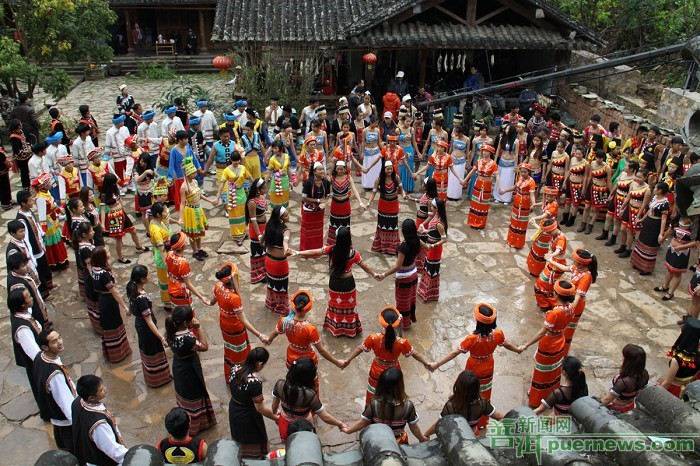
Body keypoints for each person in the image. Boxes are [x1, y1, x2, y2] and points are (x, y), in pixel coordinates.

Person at [429, 304, 520, 429]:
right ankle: (481, 421)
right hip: (488, 366)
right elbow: (507, 344)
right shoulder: (498, 334)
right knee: (484, 393)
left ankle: (466, 418)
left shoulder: (472, 339)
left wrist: (437, 364)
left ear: (477, 320)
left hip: (473, 367)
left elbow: (455, 352)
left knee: (468, 391)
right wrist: (518, 350)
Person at [298, 226, 381, 337]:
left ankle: (335, 328)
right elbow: (364, 266)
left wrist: (297, 252)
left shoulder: (331, 250)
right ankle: (349, 329)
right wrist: (374, 274)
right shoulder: (354, 254)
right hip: (348, 284)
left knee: (334, 305)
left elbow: (314, 252)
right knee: (349, 306)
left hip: (334, 283)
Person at [343, 306, 430, 403]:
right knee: (394, 393)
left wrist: (348, 360)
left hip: (376, 371)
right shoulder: (402, 342)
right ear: (397, 324)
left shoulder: (373, 338)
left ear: (381, 322)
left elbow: (360, 349)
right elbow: (415, 354)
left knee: (374, 393)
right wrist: (427, 364)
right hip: (394, 371)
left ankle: (372, 409)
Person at [265, 290, 345, 392]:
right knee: (309, 383)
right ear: (308, 308)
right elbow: (321, 350)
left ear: (293, 304)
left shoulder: (284, 321)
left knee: (294, 380)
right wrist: (337, 362)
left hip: (291, 357)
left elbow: (275, 333)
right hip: (307, 361)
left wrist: (268, 339)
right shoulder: (310, 329)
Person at [519, 279, 576, 407]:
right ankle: (551, 393)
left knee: (541, 372)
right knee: (553, 370)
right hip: (560, 340)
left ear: (556, 294)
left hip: (549, 344)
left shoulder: (555, 313)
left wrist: (526, 344)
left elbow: (541, 333)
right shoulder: (572, 308)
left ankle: (536, 397)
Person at [165, 306, 217, 435]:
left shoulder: (171, 330)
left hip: (179, 366)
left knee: (184, 392)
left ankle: (186, 419)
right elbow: (204, 347)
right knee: (194, 393)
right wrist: (198, 328)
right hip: (189, 369)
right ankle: (196, 424)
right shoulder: (187, 339)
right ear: (185, 322)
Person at [212, 263, 268, 380]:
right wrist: (259, 335)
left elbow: (212, 302)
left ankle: (230, 374)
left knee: (229, 349)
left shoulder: (217, 286)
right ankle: (241, 376)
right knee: (240, 352)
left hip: (224, 325)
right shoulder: (234, 298)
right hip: (235, 329)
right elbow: (243, 320)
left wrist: (204, 299)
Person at [343, 367, 427, 444]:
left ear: (380, 385)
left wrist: (348, 431)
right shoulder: (408, 406)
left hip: (378, 441)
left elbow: (363, 422)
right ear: (400, 385)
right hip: (397, 441)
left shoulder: (374, 403)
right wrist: (421, 438)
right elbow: (413, 426)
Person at [271, 357, 346, 441]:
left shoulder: (279, 385)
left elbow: (274, 406)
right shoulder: (309, 395)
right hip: (304, 426)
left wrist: (275, 413)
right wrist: (340, 424)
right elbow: (325, 417)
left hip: (285, 423)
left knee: (289, 443)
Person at [126, 265, 171, 388]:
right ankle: (159, 379)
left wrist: (129, 311)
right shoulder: (142, 300)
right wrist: (161, 337)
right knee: (153, 349)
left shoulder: (132, 288)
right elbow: (149, 321)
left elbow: (131, 303)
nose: (149, 276)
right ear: (142, 279)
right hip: (147, 329)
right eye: (147, 275)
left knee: (147, 349)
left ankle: (152, 377)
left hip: (140, 325)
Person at [228, 348, 278, 459]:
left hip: (234, 409)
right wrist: (276, 418)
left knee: (239, 435)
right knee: (252, 437)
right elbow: (260, 408)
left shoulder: (234, 369)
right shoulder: (254, 383)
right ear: (259, 364)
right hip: (248, 415)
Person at [546, 248, 597, 355]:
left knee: (568, 330)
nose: (573, 263)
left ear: (581, 264)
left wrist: (570, 310)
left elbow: (578, 296)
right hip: (570, 301)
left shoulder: (586, 277)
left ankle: (562, 352)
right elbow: (565, 268)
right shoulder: (578, 268)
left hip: (575, 305)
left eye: (575, 261)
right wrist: (550, 260)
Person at [33, 329, 76, 453]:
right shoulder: (55, 375)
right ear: (45, 347)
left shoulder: (40, 357)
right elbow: (64, 401)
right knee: (75, 450)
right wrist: (78, 421)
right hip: (66, 421)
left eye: (59, 338)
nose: (60, 342)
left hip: (57, 417)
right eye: (54, 341)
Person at [425, 371, 505, 436]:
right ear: (477, 388)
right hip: (473, 435)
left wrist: (426, 434)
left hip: (457, 437)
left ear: (458, 387)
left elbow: (439, 424)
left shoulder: (451, 406)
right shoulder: (482, 404)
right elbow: (497, 416)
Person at [378, 220, 426, 330]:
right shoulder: (417, 240)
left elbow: (398, 266)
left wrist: (384, 274)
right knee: (411, 298)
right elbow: (426, 247)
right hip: (413, 273)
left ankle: (403, 324)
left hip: (404, 278)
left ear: (404, 231)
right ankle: (409, 320)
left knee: (402, 301)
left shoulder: (403, 248)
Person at [71, 375, 128, 465]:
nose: (105, 389)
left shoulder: (77, 401)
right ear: (91, 398)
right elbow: (112, 450)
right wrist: (131, 456)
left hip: (87, 452)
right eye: (101, 390)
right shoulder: (99, 425)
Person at [90, 247, 132, 363]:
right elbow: (114, 292)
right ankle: (118, 354)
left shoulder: (94, 269)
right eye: (107, 252)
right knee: (114, 324)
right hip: (109, 301)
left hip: (102, 300)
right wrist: (125, 306)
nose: (109, 252)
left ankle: (112, 353)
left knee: (108, 325)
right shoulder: (104, 274)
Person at [100, 173, 148, 264]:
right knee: (119, 238)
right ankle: (120, 257)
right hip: (114, 216)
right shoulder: (104, 194)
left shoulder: (115, 189)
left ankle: (138, 246)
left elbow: (120, 199)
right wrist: (102, 224)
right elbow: (102, 210)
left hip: (121, 213)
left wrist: (123, 208)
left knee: (133, 230)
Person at [8, 287, 43, 404]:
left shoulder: (22, 314)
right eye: (29, 297)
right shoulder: (23, 329)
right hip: (37, 365)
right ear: (22, 305)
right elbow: (34, 353)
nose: (32, 298)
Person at [17, 190, 53, 297]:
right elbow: (25, 238)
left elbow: (36, 224)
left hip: (40, 244)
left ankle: (49, 284)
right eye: (30, 200)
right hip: (34, 249)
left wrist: (41, 233)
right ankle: (44, 292)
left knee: (45, 266)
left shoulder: (29, 211)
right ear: (23, 203)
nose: (32, 201)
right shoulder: (21, 220)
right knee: (40, 270)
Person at [629, 182, 670, 275]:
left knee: (650, 244)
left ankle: (646, 268)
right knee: (642, 241)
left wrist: (661, 233)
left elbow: (664, 219)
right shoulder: (655, 198)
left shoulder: (665, 204)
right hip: (648, 222)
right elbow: (649, 211)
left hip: (655, 225)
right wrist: (642, 219)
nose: (654, 189)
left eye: (655, 188)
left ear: (660, 191)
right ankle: (637, 263)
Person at [216, 150, 253, 248]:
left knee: (243, 214)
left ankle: (243, 232)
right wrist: (218, 197)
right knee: (234, 216)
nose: (236, 162)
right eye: (234, 161)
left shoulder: (243, 168)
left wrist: (257, 185)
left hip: (241, 194)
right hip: (232, 195)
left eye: (238, 160)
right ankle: (237, 236)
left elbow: (250, 178)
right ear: (231, 160)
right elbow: (222, 184)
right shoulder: (226, 170)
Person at [180, 157, 215, 260]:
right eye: (193, 173)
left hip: (198, 209)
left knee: (199, 230)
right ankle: (194, 251)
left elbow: (199, 195)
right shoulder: (184, 187)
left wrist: (210, 201)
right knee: (192, 233)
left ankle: (199, 249)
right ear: (187, 174)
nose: (195, 174)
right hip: (190, 211)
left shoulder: (195, 182)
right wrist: (181, 218)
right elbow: (182, 203)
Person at [166, 232, 211, 311]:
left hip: (171, 286)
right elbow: (188, 284)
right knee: (186, 312)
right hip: (180, 291)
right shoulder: (182, 263)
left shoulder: (169, 254)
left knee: (177, 311)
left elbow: (168, 270)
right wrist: (201, 297)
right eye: (184, 242)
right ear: (181, 247)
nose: (186, 242)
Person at [597, 160, 638, 246]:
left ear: (631, 169)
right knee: (608, 216)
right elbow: (616, 185)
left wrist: (624, 206)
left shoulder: (633, 180)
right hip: (616, 197)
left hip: (623, 200)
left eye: (626, 166)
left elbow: (629, 195)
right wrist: (611, 194)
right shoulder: (622, 174)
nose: (624, 167)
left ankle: (613, 238)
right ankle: (605, 233)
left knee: (617, 220)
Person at [368, 160, 405, 255]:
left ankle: (393, 247)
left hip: (393, 205)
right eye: (388, 169)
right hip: (383, 206)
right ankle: (382, 247)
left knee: (393, 225)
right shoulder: (379, 179)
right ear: (384, 169)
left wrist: (404, 195)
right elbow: (373, 192)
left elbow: (401, 190)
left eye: (391, 169)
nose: (389, 171)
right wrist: (369, 202)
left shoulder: (396, 178)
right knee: (382, 225)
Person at [33, 173, 69, 271]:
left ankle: (61, 259)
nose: (50, 184)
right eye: (48, 183)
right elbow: (42, 215)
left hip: (53, 219)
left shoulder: (47, 193)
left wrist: (59, 210)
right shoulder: (40, 199)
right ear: (44, 186)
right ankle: (55, 261)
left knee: (57, 238)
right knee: (52, 240)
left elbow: (53, 204)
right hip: (48, 222)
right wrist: (44, 229)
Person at [600, 344, 649, 412]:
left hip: (617, 407)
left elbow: (606, 400)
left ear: (628, 360)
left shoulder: (623, 382)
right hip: (630, 405)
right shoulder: (645, 374)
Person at [263, 206, 294, 316]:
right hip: (279, 264)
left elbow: (261, 239)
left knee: (271, 283)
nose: (288, 216)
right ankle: (281, 307)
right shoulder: (285, 230)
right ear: (280, 218)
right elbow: (285, 242)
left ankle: (271, 303)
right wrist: (286, 250)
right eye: (286, 215)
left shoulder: (269, 226)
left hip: (269, 260)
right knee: (281, 285)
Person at [614, 169, 652, 258]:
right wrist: (622, 207)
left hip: (637, 210)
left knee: (629, 231)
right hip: (629, 208)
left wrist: (638, 216)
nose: (637, 179)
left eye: (640, 177)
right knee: (623, 228)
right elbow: (628, 197)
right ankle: (622, 246)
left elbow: (644, 205)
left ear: (645, 178)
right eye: (637, 176)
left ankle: (628, 249)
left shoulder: (647, 190)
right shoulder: (633, 184)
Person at [656, 217, 695, 301]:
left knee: (677, 273)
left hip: (682, 253)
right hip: (672, 249)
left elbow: (695, 242)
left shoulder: (695, 224)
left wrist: (681, 247)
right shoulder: (678, 217)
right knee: (669, 269)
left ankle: (670, 293)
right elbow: (671, 229)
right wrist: (663, 238)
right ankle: (665, 286)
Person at [326, 160, 365, 246]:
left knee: (345, 225)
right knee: (334, 225)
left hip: (345, 205)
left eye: (341, 169)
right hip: (335, 205)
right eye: (338, 169)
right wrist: (324, 201)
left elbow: (355, 190)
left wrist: (360, 202)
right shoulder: (332, 178)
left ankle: (346, 246)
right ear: (335, 169)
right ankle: (333, 245)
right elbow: (326, 190)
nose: (339, 171)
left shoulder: (349, 178)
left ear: (345, 169)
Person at [659, 318, 700, 398]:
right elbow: (695, 376)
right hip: (686, 389)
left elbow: (667, 383)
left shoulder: (676, 361)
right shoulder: (698, 356)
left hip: (673, 390)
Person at [417, 198, 448, 302]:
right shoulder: (435, 217)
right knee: (428, 266)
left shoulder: (439, 224)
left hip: (434, 249)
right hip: (430, 247)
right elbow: (433, 232)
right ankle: (425, 290)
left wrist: (434, 245)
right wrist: (425, 231)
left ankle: (429, 293)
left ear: (437, 209)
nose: (430, 207)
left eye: (432, 207)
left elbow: (444, 239)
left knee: (431, 268)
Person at [533, 219, 567, 311]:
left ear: (554, 229)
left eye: (548, 232)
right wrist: (535, 224)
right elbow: (543, 232)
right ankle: (545, 303)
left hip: (557, 265)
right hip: (554, 263)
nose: (547, 234)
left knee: (542, 284)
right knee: (544, 284)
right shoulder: (554, 234)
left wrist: (551, 256)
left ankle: (547, 304)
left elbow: (558, 250)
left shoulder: (561, 238)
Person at [526, 187, 560, 276]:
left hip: (548, 227)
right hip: (544, 225)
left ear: (555, 197)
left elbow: (544, 215)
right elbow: (543, 203)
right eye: (547, 196)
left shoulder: (554, 205)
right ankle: (533, 267)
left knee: (541, 249)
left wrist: (534, 218)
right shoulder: (548, 202)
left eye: (551, 197)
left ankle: (536, 270)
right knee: (536, 246)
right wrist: (535, 204)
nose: (548, 198)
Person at [502, 164, 537, 249]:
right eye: (521, 172)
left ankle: (518, 243)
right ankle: (511, 240)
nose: (523, 173)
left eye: (525, 172)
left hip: (525, 203)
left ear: (529, 172)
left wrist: (533, 203)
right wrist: (505, 191)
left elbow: (532, 194)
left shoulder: (531, 181)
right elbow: (514, 187)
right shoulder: (520, 178)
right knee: (514, 221)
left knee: (521, 222)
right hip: (517, 201)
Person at [464, 144, 497, 229]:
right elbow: (472, 171)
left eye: (487, 151)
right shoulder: (479, 161)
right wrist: (465, 180)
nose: (484, 153)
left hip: (486, 185)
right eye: (484, 151)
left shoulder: (493, 164)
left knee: (483, 205)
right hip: (478, 183)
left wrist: (499, 187)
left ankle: (480, 223)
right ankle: (473, 222)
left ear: (490, 153)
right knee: (475, 203)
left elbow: (497, 176)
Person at [169, 130, 203, 211]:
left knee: (191, 194)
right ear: (179, 140)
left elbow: (194, 158)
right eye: (185, 139)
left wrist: (198, 167)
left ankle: (192, 210)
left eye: (187, 138)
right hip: (179, 177)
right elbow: (171, 164)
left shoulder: (188, 147)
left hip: (190, 176)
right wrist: (169, 178)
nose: (187, 140)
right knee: (181, 198)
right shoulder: (174, 150)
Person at [300, 163, 331, 251]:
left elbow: (327, 195)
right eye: (319, 169)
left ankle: (317, 249)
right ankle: (306, 250)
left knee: (318, 230)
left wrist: (325, 202)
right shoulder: (308, 182)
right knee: (308, 230)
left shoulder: (326, 182)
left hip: (320, 210)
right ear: (314, 171)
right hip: (309, 209)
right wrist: (318, 201)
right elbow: (304, 198)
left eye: (322, 169)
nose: (322, 171)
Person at [246, 178, 269, 283]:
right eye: (263, 188)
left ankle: (264, 271)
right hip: (256, 229)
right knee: (257, 251)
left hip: (263, 226)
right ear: (258, 190)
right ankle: (257, 275)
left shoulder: (262, 197)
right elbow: (253, 219)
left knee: (263, 250)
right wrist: (259, 234)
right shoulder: (252, 202)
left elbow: (265, 209)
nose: (265, 190)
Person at [265, 140, 294, 209]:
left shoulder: (287, 156)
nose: (274, 150)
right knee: (275, 197)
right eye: (273, 148)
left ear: (281, 148)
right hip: (276, 181)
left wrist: (291, 180)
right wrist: (264, 183)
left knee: (284, 197)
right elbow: (269, 173)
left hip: (285, 180)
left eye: (276, 148)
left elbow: (288, 169)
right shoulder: (272, 159)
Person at [9, 120, 34, 190]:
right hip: (22, 159)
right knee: (24, 173)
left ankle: (30, 184)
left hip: (27, 156)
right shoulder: (13, 138)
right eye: (20, 124)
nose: (21, 125)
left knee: (28, 171)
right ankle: (26, 187)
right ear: (17, 127)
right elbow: (16, 151)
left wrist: (29, 145)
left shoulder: (21, 132)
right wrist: (27, 151)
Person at [360, 116, 383, 190]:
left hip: (376, 151)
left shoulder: (377, 130)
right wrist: (362, 152)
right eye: (374, 123)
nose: (376, 125)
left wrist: (383, 149)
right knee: (367, 168)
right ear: (370, 122)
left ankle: (377, 184)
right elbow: (363, 142)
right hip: (367, 151)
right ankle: (367, 185)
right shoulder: (365, 130)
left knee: (376, 169)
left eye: (377, 123)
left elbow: (379, 141)